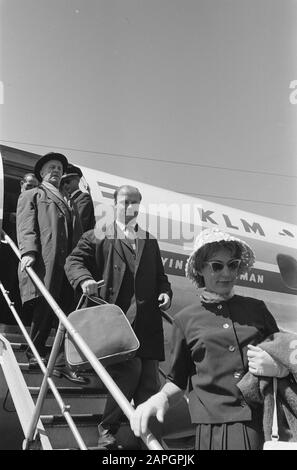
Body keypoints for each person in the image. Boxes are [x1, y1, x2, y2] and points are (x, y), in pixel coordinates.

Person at [130, 227, 288, 450]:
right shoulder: (185, 320)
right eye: (217, 266)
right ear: (200, 269)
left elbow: (285, 351)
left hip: (259, 424)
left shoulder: (257, 310)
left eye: (232, 265)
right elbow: (177, 380)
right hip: (210, 431)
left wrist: (278, 366)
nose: (227, 273)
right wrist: (161, 398)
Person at [65, 184, 173, 447]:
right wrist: (84, 280)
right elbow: (73, 262)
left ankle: (150, 442)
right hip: (117, 323)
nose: (130, 207)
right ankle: (107, 429)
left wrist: (166, 293)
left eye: (135, 202)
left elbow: (161, 278)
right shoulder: (97, 235)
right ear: (114, 204)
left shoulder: (149, 240)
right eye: (125, 202)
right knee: (129, 371)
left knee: (149, 385)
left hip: (146, 323)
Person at [16, 152, 87, 384]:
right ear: (42, 173)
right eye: (51, 167)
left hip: (67, 263)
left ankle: (58, 362)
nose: (56, 170)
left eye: (59, 167)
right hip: (48, 260)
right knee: (45, 307)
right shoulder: (33, 194)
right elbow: (26, 226)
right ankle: (34, 353)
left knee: (66, 311)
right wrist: (28, 251)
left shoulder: (68, 201)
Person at [60, 164, 95, 233]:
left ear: (77, 180)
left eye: (67, 181)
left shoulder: (84, 198)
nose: (65, 185)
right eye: (63, 183)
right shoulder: (67, 201)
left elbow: (77, 225)